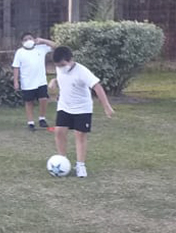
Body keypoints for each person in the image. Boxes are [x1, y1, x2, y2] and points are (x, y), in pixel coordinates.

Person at [48, 46, 114, 178]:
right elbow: (62, 78)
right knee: (59, 131)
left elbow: (97, 87)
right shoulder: (60, 68)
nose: (60, 68)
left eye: (62, 65)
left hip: (82, 108)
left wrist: (106, 106)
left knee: (80, 135)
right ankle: (62, 161)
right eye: (58, 66)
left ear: (70, 60)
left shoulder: (82, 71)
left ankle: (80, 165)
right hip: (64, 106)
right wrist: (54, 81)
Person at [11, 32, 56, 130]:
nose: (28, 41)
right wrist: (16, 81)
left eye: (30, 38)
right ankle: (30, 122)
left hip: (41, 80)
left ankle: (42, 118)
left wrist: (43, 40)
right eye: (25, 39)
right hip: (27, 82)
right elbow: (16, 67)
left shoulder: (41, 48)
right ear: (22, 42)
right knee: (29, 102)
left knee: (43, 99)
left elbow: (55, 46)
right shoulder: (20, 52)